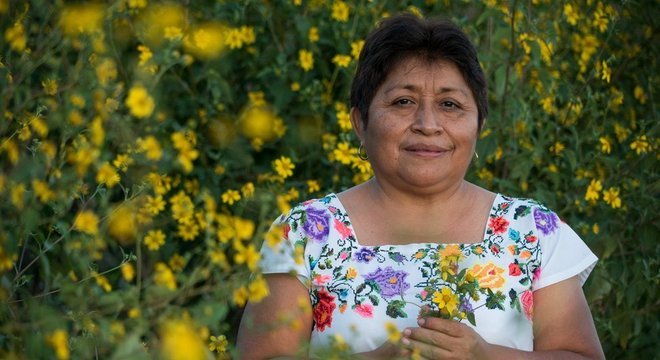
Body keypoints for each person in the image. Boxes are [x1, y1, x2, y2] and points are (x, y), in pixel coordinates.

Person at [237, 13, 605, 359]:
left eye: (450, 104)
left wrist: (485, 355)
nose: (428, 124)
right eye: (403, 101)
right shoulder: (304, 233)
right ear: (360, 122)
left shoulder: (533, 231)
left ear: (479, 124)